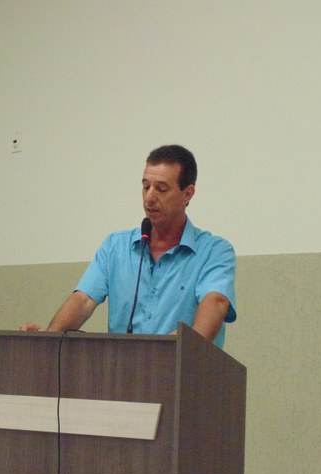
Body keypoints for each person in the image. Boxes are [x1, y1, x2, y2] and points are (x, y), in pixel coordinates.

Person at [21, 144, 236, 347]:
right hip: (122, 370)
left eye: (161, 189)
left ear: (187, 194)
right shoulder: (116, 247)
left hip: (183, 370)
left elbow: (216, 303)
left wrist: (174, 348)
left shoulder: (214, 251)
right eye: (146, 186)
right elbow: (84, 300)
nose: (149, 197)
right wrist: (49, 337)